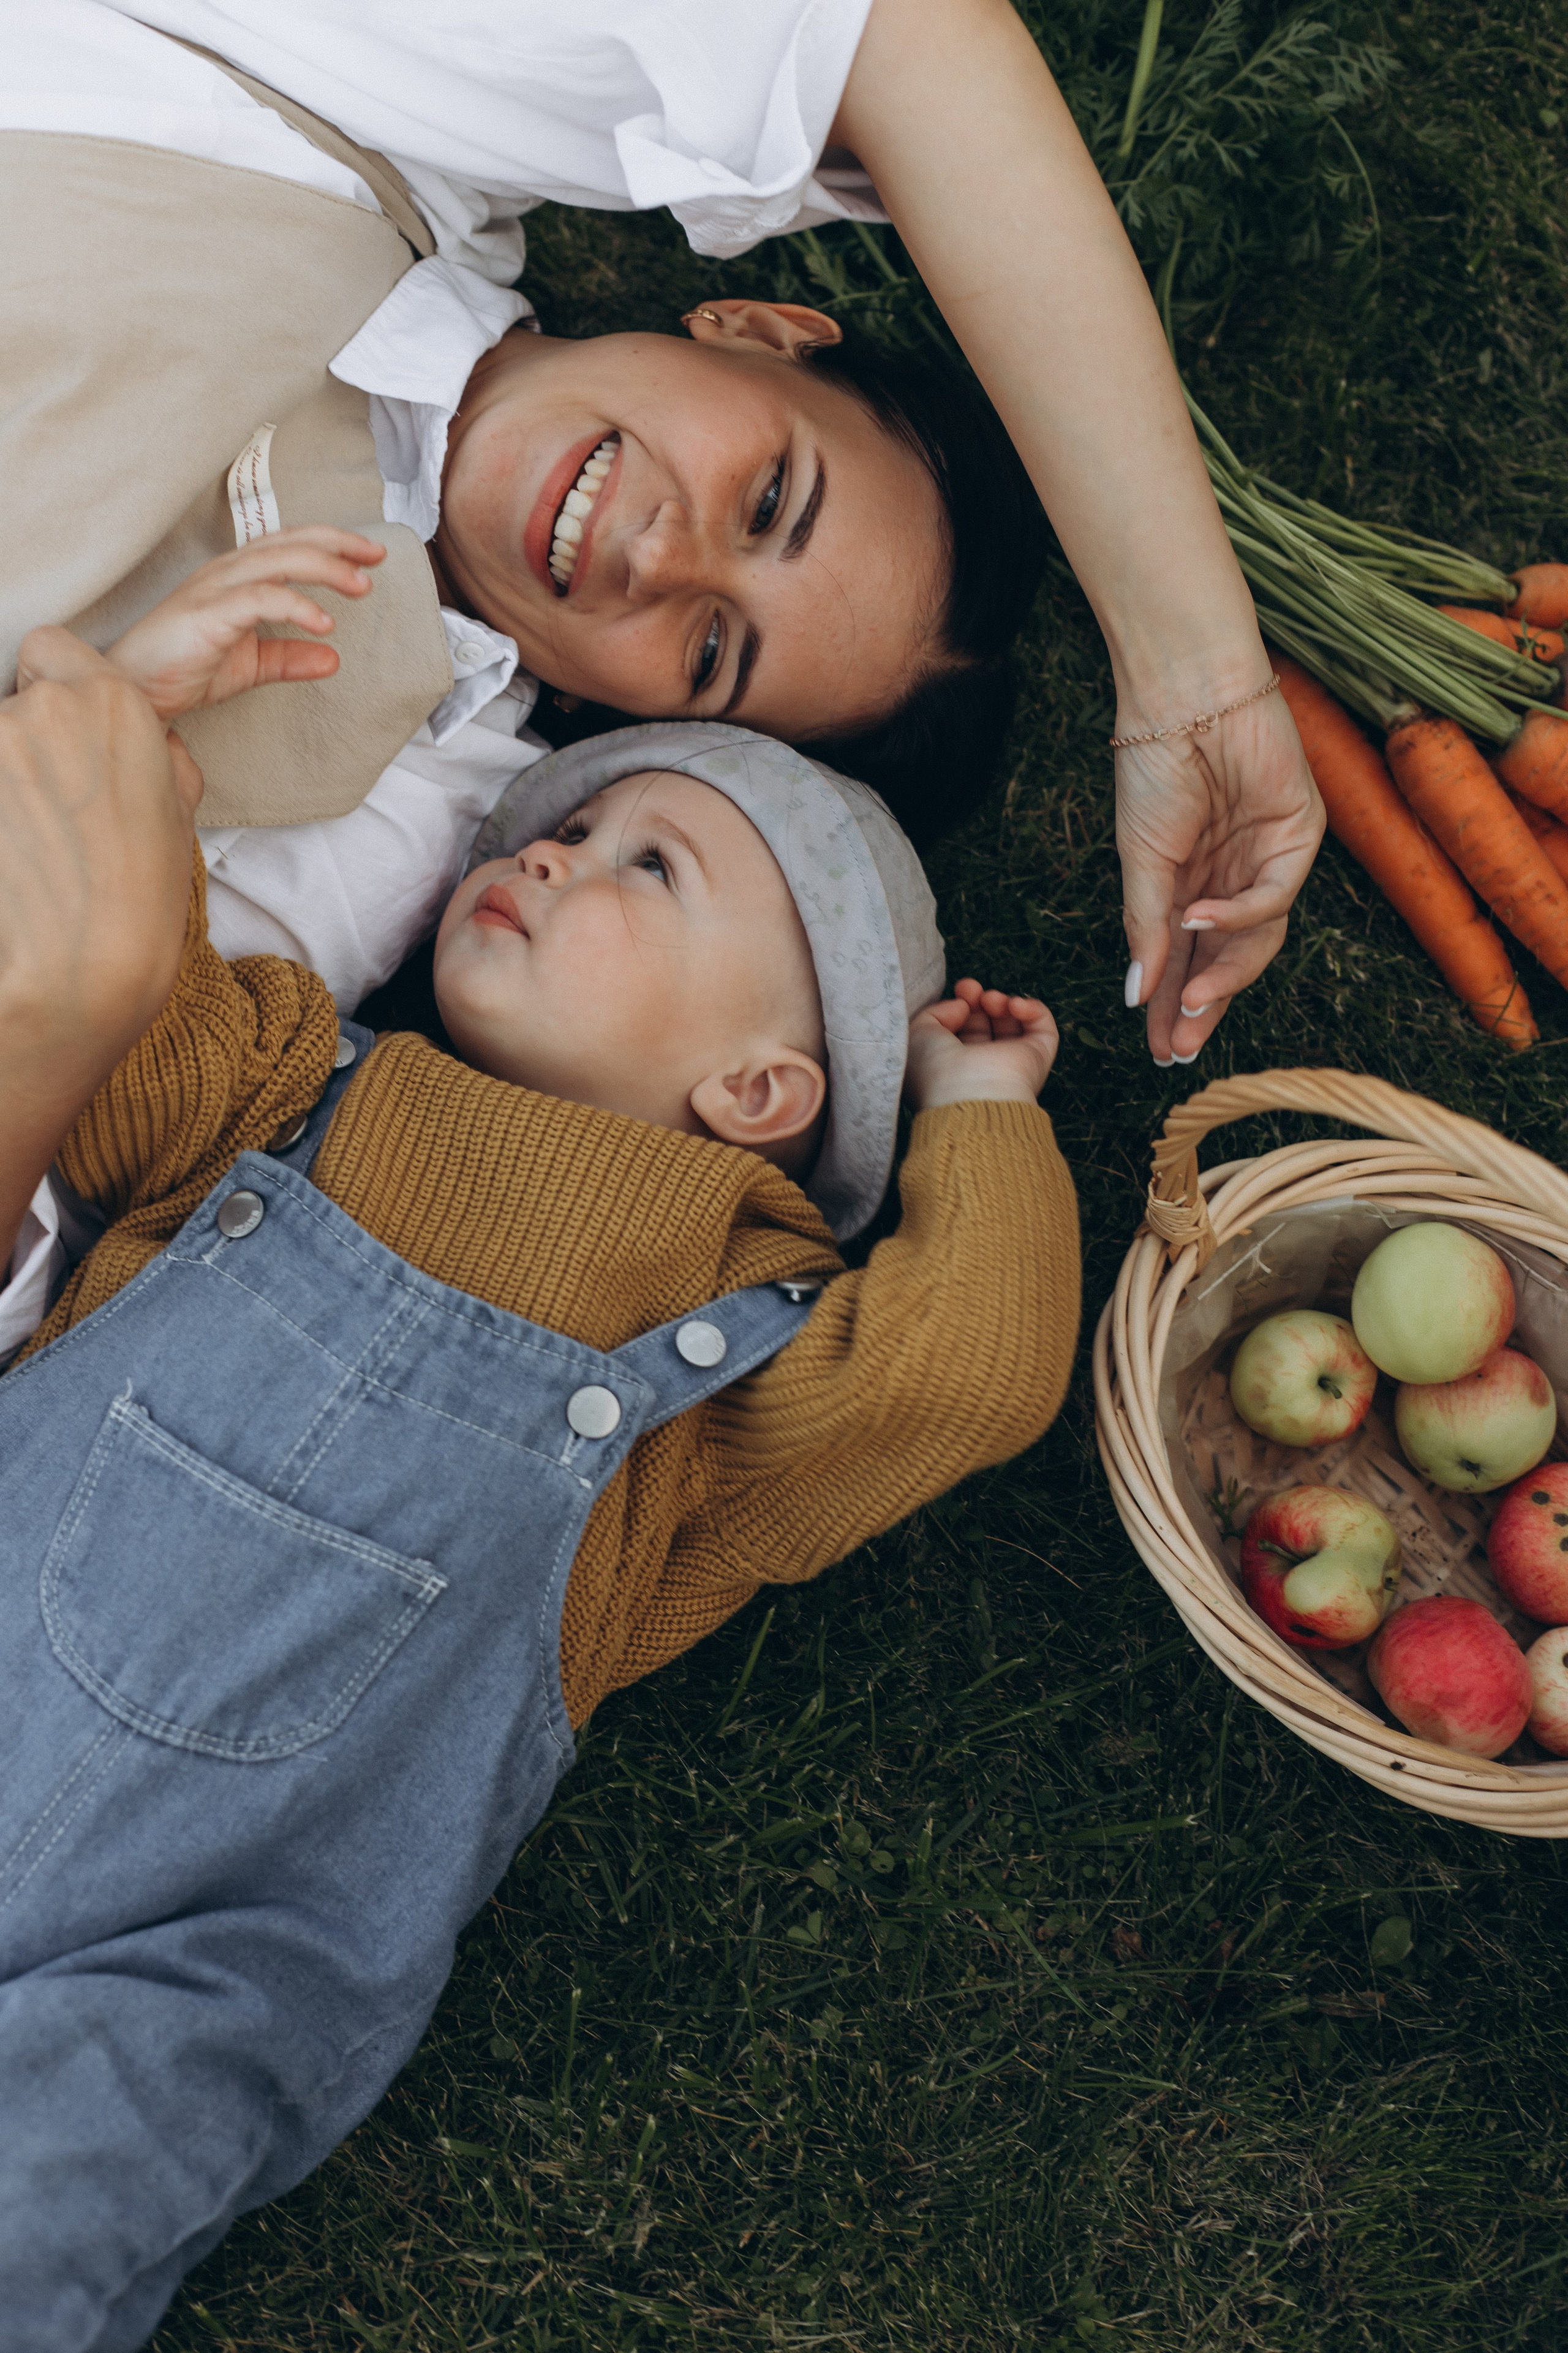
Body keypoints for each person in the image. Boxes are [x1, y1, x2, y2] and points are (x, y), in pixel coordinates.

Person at [0, 585, 1079, 2344]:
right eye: (575, 823)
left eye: (651, 868)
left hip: (206, 1952)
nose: (561, 855)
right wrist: (148, 762)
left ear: (760, 1089)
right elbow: (116, 992)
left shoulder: (733, 1360)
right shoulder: (291, 1074)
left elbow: (965, 1372)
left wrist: (980, 1112)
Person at [2, 0, 1322, 1070]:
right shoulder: (380, 101)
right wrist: (1192, 676)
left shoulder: (394, 800)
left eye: (708, 653)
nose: (658, 560)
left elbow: (72, 1120)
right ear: (754, 328)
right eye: (767, 500)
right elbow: (889, 33)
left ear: (624, 719)